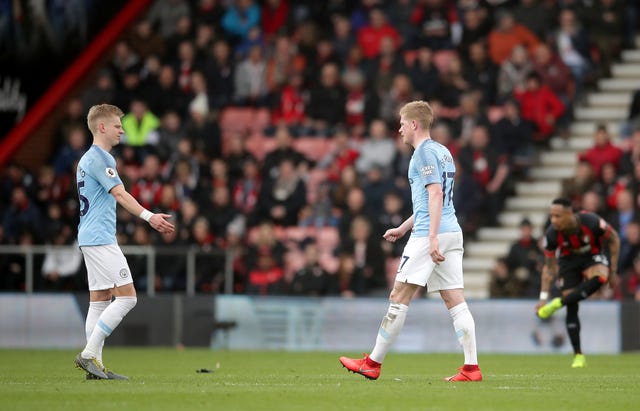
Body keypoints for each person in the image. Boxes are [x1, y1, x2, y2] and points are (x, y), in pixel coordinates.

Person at [339, 100, 481, 382]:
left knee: (399, 295)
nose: (400, 128)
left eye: (403, 123)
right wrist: (403, 228)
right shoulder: (443, 152)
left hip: (433, 233)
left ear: (414, 124)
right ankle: (471, 368)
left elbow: (436, 195)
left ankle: (373, 363)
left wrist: (430, 238)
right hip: (451, 231)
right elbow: (431, 201)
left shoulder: (423, 154)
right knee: (455, 300)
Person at [74, 104, 175, 380]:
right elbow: (120, 194)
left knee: (100, 299)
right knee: (128, 297)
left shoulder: (86, 160)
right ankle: (88, 354)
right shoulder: (101, 158)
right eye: (118, 125)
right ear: (102, 127)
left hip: (89, 236)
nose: (122, 130)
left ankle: (96, 367)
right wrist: (149, 216)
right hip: (100, 238)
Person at [536, 198, 620, 368]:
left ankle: (558, 303)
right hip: (569, 261)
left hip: (592, 256)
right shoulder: (551, 234)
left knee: (601, 277)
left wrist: (613, 270)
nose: (553, 220)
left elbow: (614, 239)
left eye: (557, 216)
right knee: (572, 304)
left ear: (569, 214)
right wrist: (543, 298)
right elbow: (549, 268)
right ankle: (578, 355)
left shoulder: (591, 221)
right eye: (551, 216)